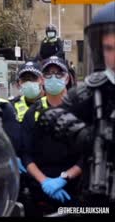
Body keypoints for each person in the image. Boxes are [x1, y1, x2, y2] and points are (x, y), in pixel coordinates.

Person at [37, 1, 115, 208]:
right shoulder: (92, 89)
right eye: (108, 48)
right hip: (98, 191)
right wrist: (87, 135)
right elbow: (50, 117)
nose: (114, 56)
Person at [20, 56, 83, 216]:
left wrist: (64, 178)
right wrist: (44, 181)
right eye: (48, 74)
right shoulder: (33, 112)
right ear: (42, 79)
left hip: (73, 189)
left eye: (58, 73)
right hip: (40, 189)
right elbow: (26, 155)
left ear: (67, 77)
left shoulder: (81, 110)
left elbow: (88, 154)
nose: (53, 77)